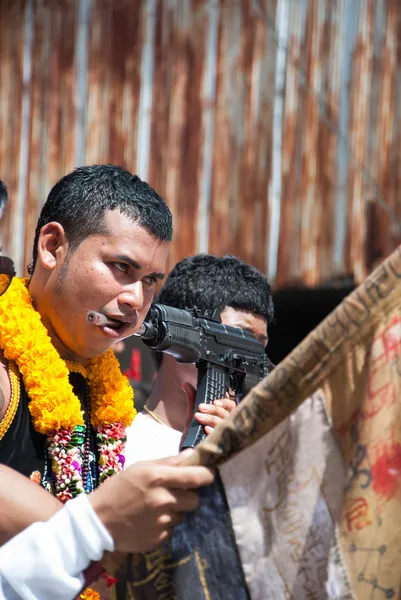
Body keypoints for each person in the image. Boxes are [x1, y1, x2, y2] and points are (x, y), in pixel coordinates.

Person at [0, 165, 214, 599]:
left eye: (150, 281)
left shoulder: (110, 397)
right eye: (121, 267)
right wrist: (93, 524)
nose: (137, 300)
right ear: (52, 246)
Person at [125, 253, 274, 464]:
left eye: (259, 346)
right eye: (240, 337)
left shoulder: (258, 452)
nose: (250, 358)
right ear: (181, 333)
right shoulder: (116, 445)